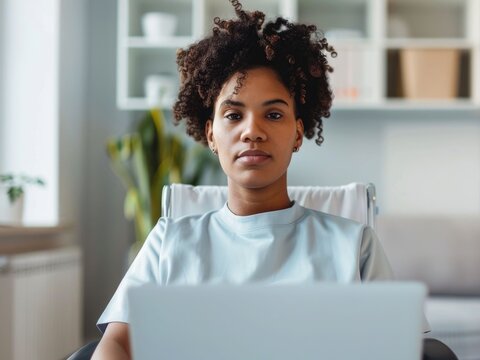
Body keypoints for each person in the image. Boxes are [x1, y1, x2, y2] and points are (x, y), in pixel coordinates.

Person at [92, 1, 397, 358]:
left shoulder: (354, 247)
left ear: (298, 133)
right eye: (234, 115)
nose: (252, 131)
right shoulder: (169, 243)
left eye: (273, 113)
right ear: (210, 135)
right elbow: (116, 344)